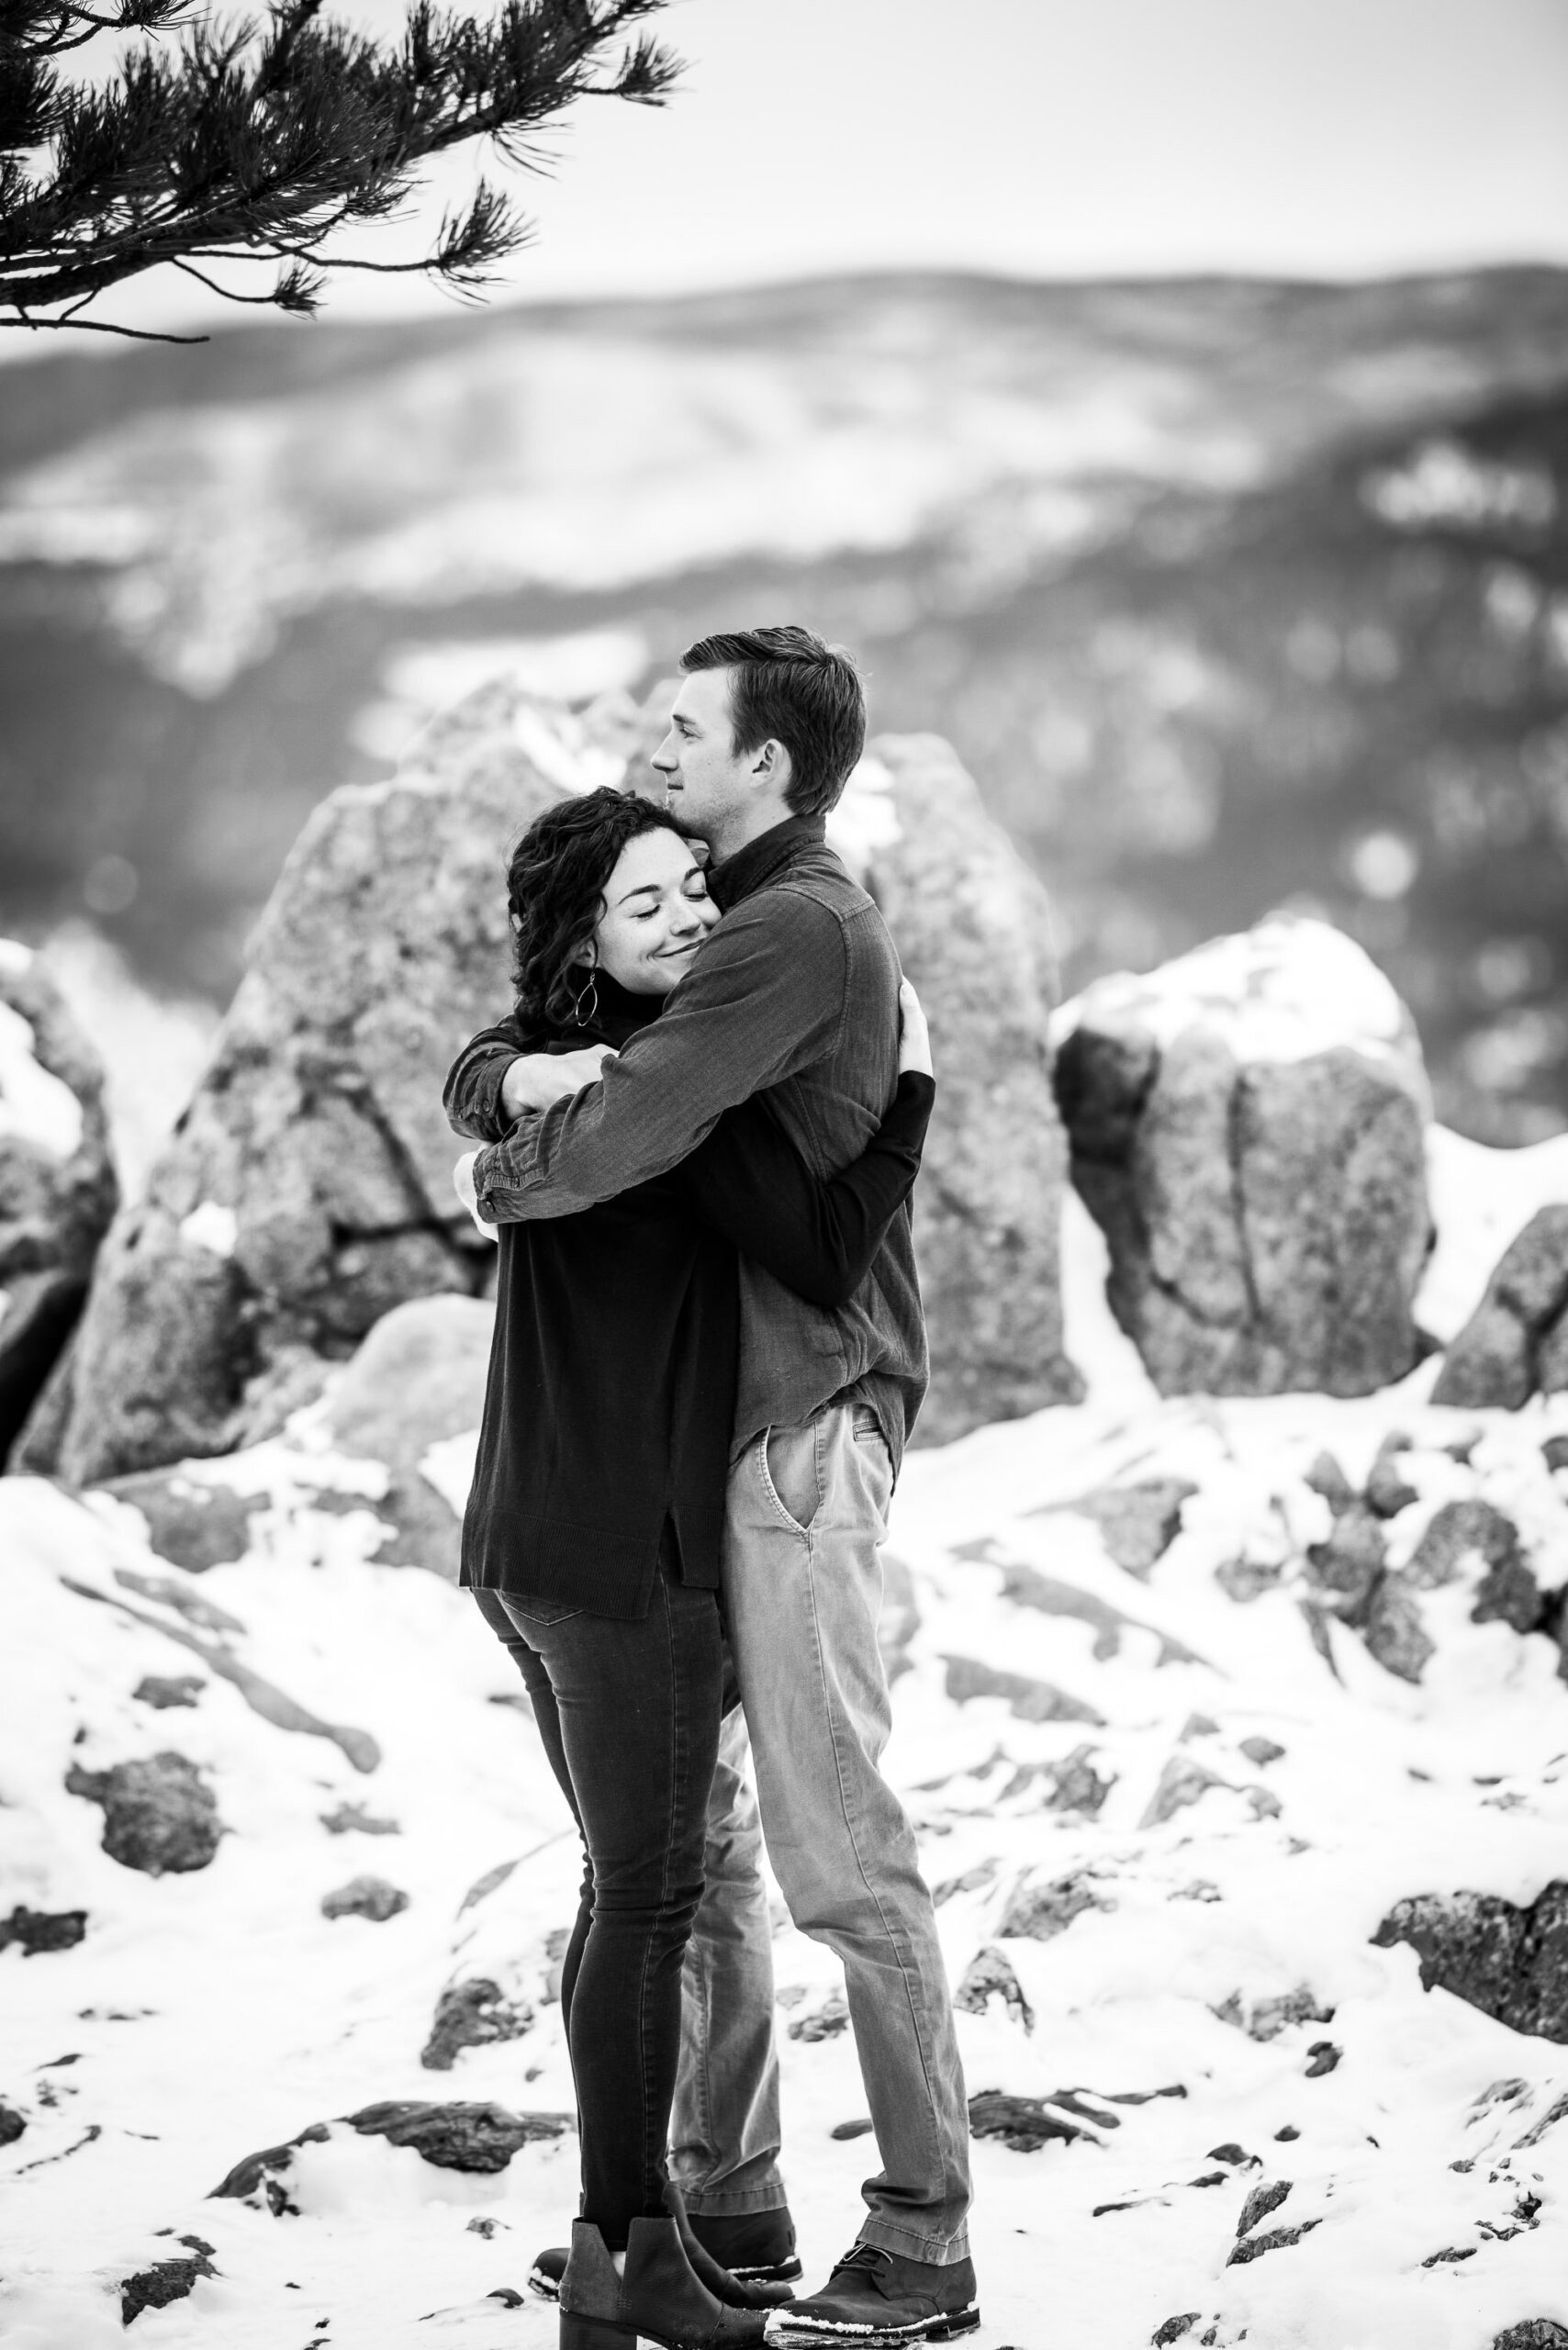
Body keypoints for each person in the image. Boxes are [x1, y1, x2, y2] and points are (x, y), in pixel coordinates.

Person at [447, 627, 977, 2347]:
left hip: (795, 1432)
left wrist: (501, 1165)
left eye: (686, 728)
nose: (653, 741)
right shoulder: (746, 924)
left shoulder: (791, 929)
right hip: (708, 1453)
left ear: (767, 765)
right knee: (710, 1856)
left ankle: (922, 2234)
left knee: (830, 1843)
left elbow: (634, 1142)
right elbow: (558, 1038)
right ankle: (723, 2202)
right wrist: (505, 1075)